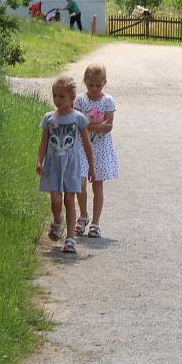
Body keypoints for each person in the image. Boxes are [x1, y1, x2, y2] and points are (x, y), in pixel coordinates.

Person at [37, 75, 96, 253]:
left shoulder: (78, 118)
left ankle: (70, 239)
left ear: (72, 98)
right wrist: (39, 161)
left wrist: (91, 166)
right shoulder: (49, 118)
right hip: (53, 166)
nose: (57, 100)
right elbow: (43, 142)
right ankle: (57, 220)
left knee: (69, 200)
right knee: (56, 199)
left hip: (71, 166)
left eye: (62, 96)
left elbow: (86, 143)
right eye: (55, 96)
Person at [73, 64, 118, 239]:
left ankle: (96, 223)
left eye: (98, 86)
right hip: (81, 147)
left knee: (98, 186)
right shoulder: (79, 100)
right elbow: (76, 123)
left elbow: (108, 127)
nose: (94, 89)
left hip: (101, 149)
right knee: (80, 182)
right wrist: (95, 125)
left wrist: (89, 124)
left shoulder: (108, 101)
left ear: (104, 83)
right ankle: (83, 215)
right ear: (85, 82)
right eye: (91, 85)